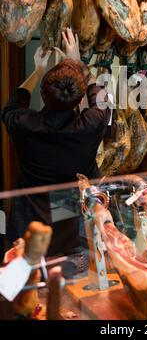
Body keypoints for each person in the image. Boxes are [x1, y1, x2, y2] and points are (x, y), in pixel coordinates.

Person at [2, 28, 111, 255]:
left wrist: (38, 70)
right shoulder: (89, 126)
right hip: (72, 219)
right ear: (80, 99)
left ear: (42, 94)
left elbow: (12, 105)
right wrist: (78, 64)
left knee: (31, 276)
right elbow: (102, 100)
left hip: (31, 217)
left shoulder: (25, 124)